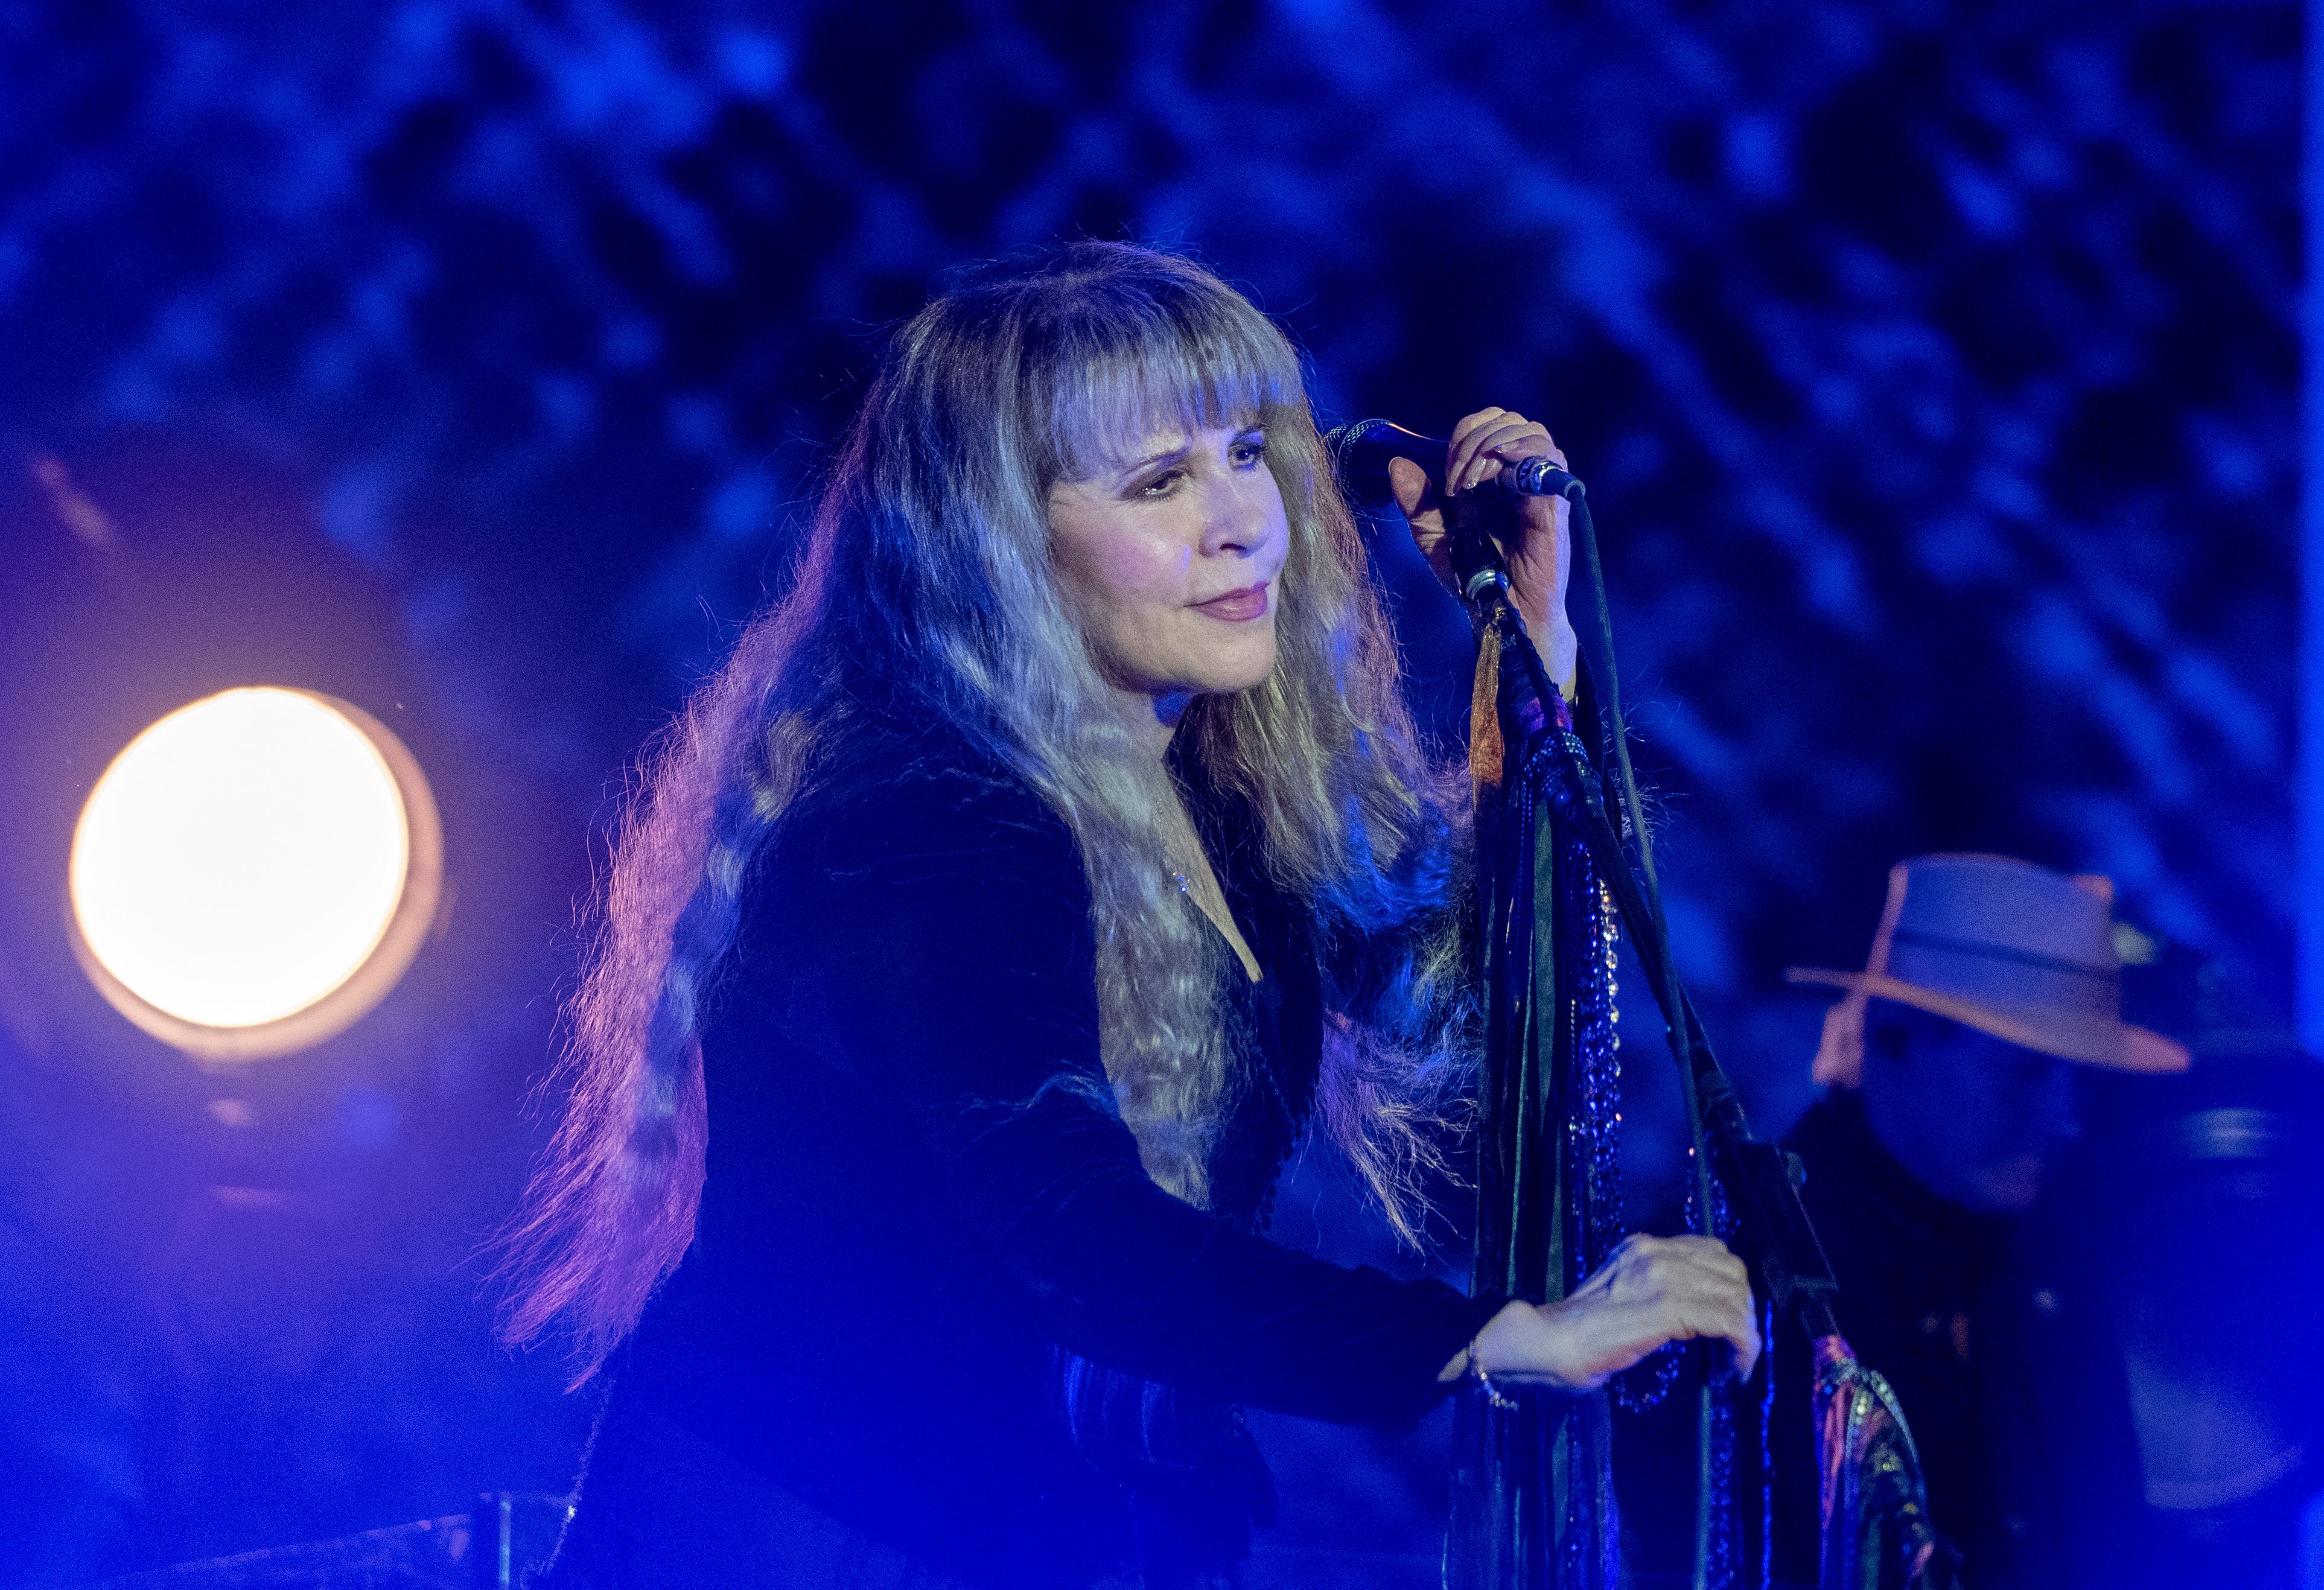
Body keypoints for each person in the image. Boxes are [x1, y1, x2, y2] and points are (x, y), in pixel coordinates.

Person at [496, 241, 1759, 1590]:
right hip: (804, 1537)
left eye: (1242, 451)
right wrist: (1498, 1338)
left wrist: (1531, 651)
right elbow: (1074, 1235)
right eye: (1158, 481)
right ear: (1001, 546)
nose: (1244, 521)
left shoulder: (1220, 797)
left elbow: (1487, 1058)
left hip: (1038, 1531)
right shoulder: (927, 822)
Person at [1771, 852, 2189, 1588]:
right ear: (1895, 1035)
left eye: (2079, 1079)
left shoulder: (2055, 1243)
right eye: (2026, 1070)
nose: (2063, 1117)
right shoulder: (1769, 1250)